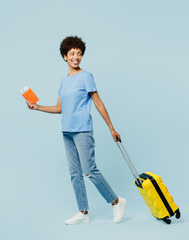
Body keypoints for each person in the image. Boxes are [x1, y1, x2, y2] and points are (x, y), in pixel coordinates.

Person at [26, 36, 126, 225]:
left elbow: (97, 102)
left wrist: (111, 128)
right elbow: (59, 108)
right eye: (72, 53)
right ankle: (83, 212)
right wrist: (37, 107)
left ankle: (116, 201)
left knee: (90, 170)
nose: (76, 57)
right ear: (65, 56)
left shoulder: (86, 76)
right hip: (67, 131)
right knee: (75, 173)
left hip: (82, 130)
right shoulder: (64, 81)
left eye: (79, 54)